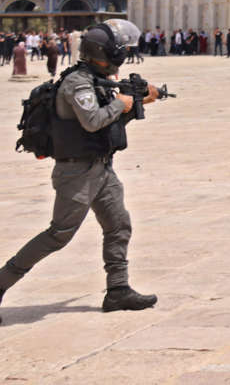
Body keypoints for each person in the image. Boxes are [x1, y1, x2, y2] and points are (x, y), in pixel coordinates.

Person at [0, 20, 161, 322]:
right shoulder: (78, 83)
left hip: (101, 168)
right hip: (76, 174)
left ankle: (118, 289)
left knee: (119, 224)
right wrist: (122, 104)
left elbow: (107, 125)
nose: (123, 54)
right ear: (104, 51)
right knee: (58, 235)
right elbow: (92, 120)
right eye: (119, 50)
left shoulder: (97, 80)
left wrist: (140, 101)